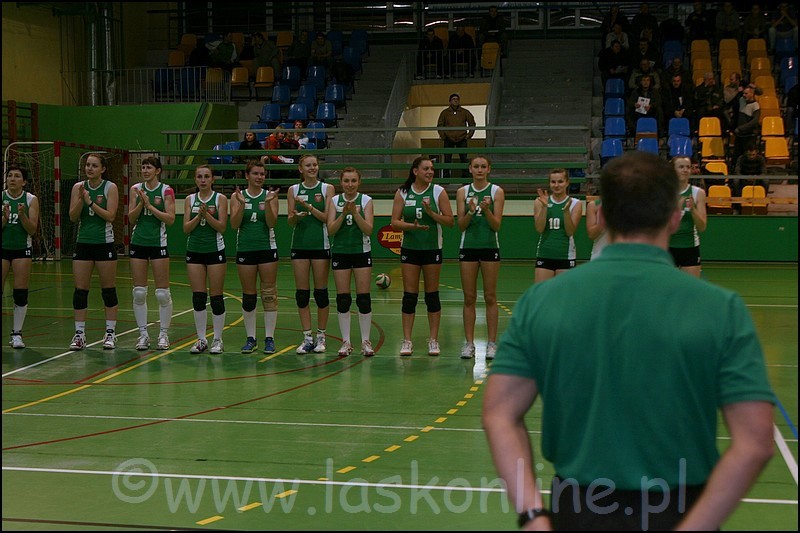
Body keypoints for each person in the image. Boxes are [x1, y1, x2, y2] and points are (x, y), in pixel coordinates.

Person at [482, 150, 775, 531]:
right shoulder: (721, 309)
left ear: (602, 217)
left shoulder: (542, 301)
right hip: (680, 506)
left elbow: (499, 413)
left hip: (580, 507)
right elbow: (755, 442)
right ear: (675, 217)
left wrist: (532, 516)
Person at [390, 156, 454, 356]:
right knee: (409, 297)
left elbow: (450, 221)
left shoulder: (438, 191)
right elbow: (394, 222)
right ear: (415, 171)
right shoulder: (403, 192)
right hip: (410, 249)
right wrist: (412, 227)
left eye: (432, 169)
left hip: (432, 248)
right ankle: (407, 340)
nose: (430, 172)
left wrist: (432, 214)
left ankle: (433, 340)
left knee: (432, 296)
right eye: (426, 168)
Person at [67, 153, 120, 351]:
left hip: (104, 243)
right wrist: (82, 200)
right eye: (88, 165)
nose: (89, 168)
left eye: (94, 165)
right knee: (80, 291)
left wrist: (90, 203)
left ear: (102, 169)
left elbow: (110, 216)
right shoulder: (78, 187)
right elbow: (73, 216)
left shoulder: (110, 187)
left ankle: (110, 333)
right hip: (83, 243)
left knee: (108, 290)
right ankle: (79, 334)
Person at [455, 156, 504, 360]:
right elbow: (461, 225)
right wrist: (470, 212)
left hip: (490, 247)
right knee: (469, 297)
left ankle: (492, 344)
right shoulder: (462, 192)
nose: (480, 170)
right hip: (468, 247)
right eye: (476, 166)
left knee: (490, 296)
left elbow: (496, 225)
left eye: (483, 166)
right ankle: (469, 343)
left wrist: (486, 211)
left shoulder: (496, 191)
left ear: (489, 169)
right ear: (470, 169)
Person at [230, 160, 280, 355]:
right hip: (245, 249)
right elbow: (234, 224)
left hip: (266, 248)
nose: (259, 177)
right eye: (256, 173)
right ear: (247, 176)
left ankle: (269, 338)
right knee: (249, 296)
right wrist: (242, 205)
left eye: (262, 174)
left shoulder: (270, 196)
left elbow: (272, 223)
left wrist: (267, 204)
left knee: (269, 294)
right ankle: (250, 338)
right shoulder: (237, 196)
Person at [287, 153, 334, 354]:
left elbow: (327, 218)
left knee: (321, 294)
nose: (312, 168)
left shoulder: (327, 189)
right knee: (302, 294)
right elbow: (290, 221)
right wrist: (296, 217)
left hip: (320, 245)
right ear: (301, 169)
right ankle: (307, 337)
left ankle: (321, 336)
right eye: (308, 165)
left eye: (315, 164)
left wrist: (309, 207)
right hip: (299, 246)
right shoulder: (293, 190)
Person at [326, 167, 376, 357]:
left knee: (363, 299)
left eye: (353, 181)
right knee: (343, 299)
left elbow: (368, 229)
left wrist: (355, 213)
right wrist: (343, 213)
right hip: (341, 252)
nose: (350, 184)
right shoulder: (334, 201)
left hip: (361, 252)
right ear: (341, 182)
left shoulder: (366, 200)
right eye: (346, 181)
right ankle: (346, 341)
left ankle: (365, 341)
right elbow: (330, 230)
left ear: (359, 182)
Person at [128, 156, 175, 351]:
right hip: (138, 242)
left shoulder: (166, 190)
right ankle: (143, 335)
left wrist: (150, 206)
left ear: (158, 171)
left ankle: (163, 334)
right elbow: (131, 218)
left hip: (158, 243)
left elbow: (170, 219)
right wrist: (141, 204)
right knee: (139, 291)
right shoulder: (135, 189)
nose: (145, 171)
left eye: (149, 168)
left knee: (162, 293)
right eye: (143, 167)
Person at [183, 165, 228, 354]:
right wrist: (198, 217)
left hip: (214, 250)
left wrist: (207, 215)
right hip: (194, 251)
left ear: (212, 179)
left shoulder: (220, 199)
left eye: (206, 176)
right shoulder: (190, 199)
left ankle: (217, 339)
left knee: (216, 298)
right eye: (199, 177)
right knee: (198, 297)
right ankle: (201, 339)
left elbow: (222, 227)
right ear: (195, 179)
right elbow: (186, 228)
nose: (203, 180)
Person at [2, 165, 39, 349]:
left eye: (17, 176)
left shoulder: (30, 199)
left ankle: (17, 334)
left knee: (20, 292)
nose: (12, 179)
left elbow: (32, 230)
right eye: (10, 176)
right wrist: (4, 219)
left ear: (24, 182)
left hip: (22, 249)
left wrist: (22, 215)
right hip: (3, 248)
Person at [533, 168, 582, 284]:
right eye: (553, 182)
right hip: (545, 254)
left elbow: (570, 231)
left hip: (565, 256)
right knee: (542, 293)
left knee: (563, 294)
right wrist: (545, 207)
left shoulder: (575, 203)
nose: (556, 185)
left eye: (560, 181)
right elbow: (539, 229)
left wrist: (566, 212)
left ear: (567, 183)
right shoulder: (540, 201)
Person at [668, 155, 707, 278]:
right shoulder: (664, 192)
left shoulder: (698, 193)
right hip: (668, 247)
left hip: (690, 248)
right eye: (681, 167)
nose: (685, 170)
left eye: (688, 167)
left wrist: (693, 210)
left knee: (691, 288)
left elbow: (702, 227)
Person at [437, 93, 476, 180]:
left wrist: (469, 135)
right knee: (447, 159)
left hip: (462, 138)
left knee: (464, 159)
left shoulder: (465, 112)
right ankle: (446, 179)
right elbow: (440, 125)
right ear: (450, 101)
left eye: (457, 99)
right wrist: (443, 136)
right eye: (454, 99)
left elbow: (472, 124)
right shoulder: (445, 113)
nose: (456, 101)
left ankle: (465, 178)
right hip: (448, 138)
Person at [731, 84, 761, 164]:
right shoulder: (741, 100)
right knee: (736, 156)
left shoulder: (755, 105)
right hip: (740, 135)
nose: (744, 95)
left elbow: (754, 121)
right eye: (743, 93)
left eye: (746, 93)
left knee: (748, 157)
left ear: (752, 94)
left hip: (749, 136)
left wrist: (741, 128)